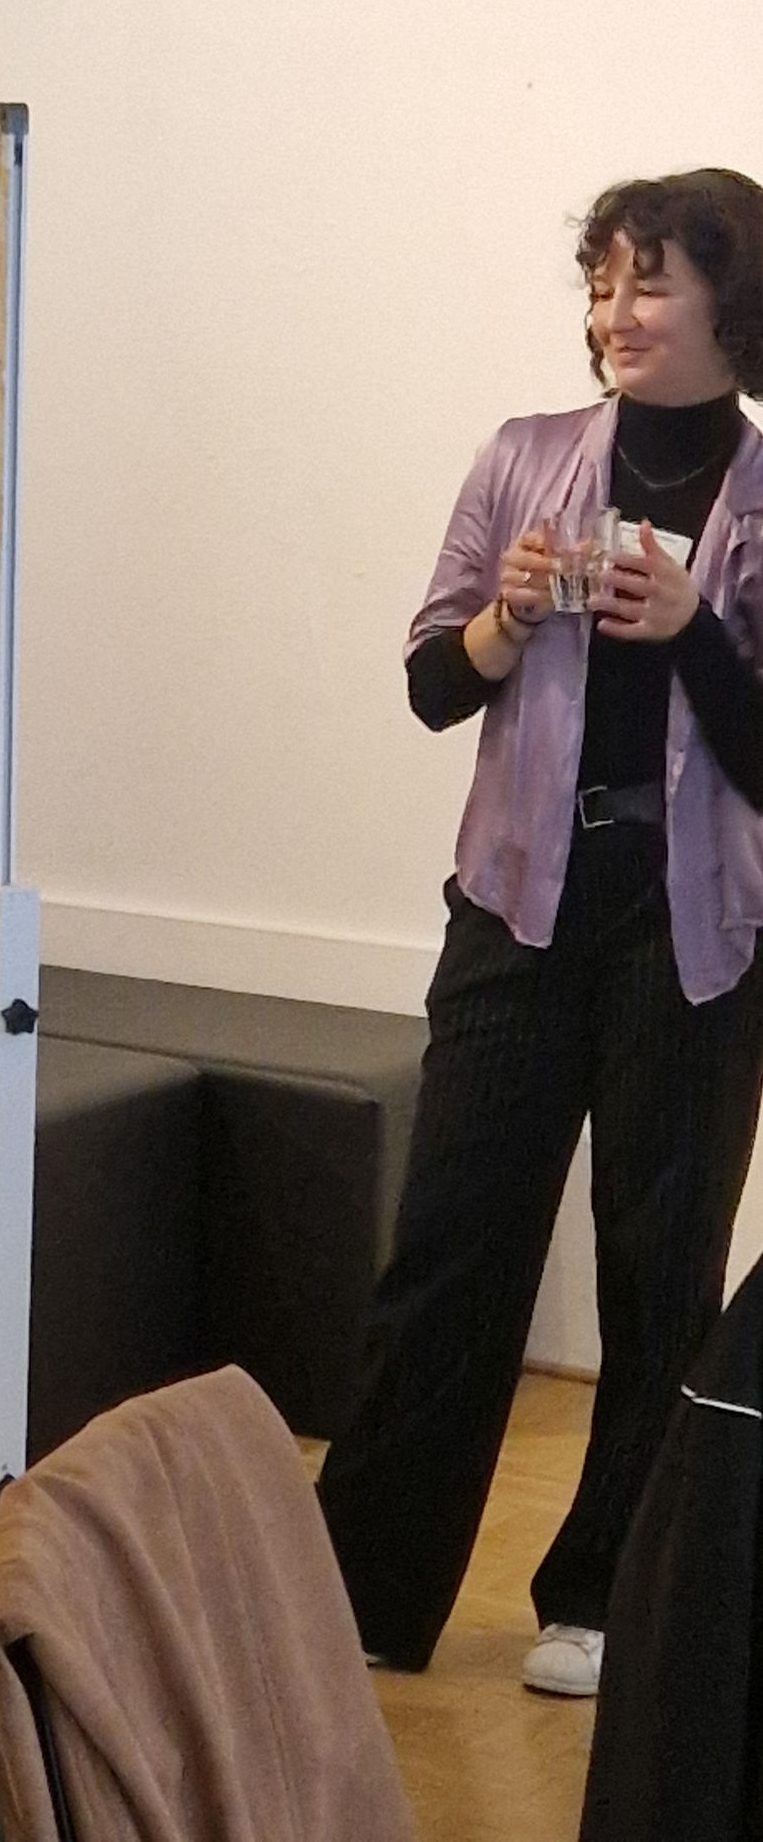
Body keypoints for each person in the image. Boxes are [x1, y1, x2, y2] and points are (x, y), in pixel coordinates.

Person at [317, 167, 763, 1699]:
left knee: (659, 1273)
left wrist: (691, 633)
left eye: (651, 283)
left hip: (698, 935)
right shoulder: (523, 459)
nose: (615, 312)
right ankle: (365, 1590)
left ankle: (604, 1597)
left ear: (730, 306)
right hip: (518, 902)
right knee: (449, 1248)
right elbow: (433, 684)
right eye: (601, 282)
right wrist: (506, 620)